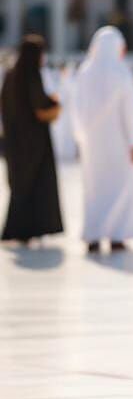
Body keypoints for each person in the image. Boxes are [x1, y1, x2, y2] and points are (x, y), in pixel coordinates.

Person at [70, 27, 133, 253]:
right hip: (119, 143)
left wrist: (81, 136)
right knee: (120, 188)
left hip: (92, 145)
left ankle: (93, 235)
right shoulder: (122, 73)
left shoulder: (84, 72)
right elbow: (131, 111)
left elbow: (77, 110)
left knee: (94, 190)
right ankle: (117, 235)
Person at [1, 34, 63, 245]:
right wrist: (55, 103)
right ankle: (31, 229)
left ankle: (19, 229)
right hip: (35, 143)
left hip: (14, 141)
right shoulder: (31, 74)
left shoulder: (10, 75)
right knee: (36, 184)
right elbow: (41, 108)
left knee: (20, 185)